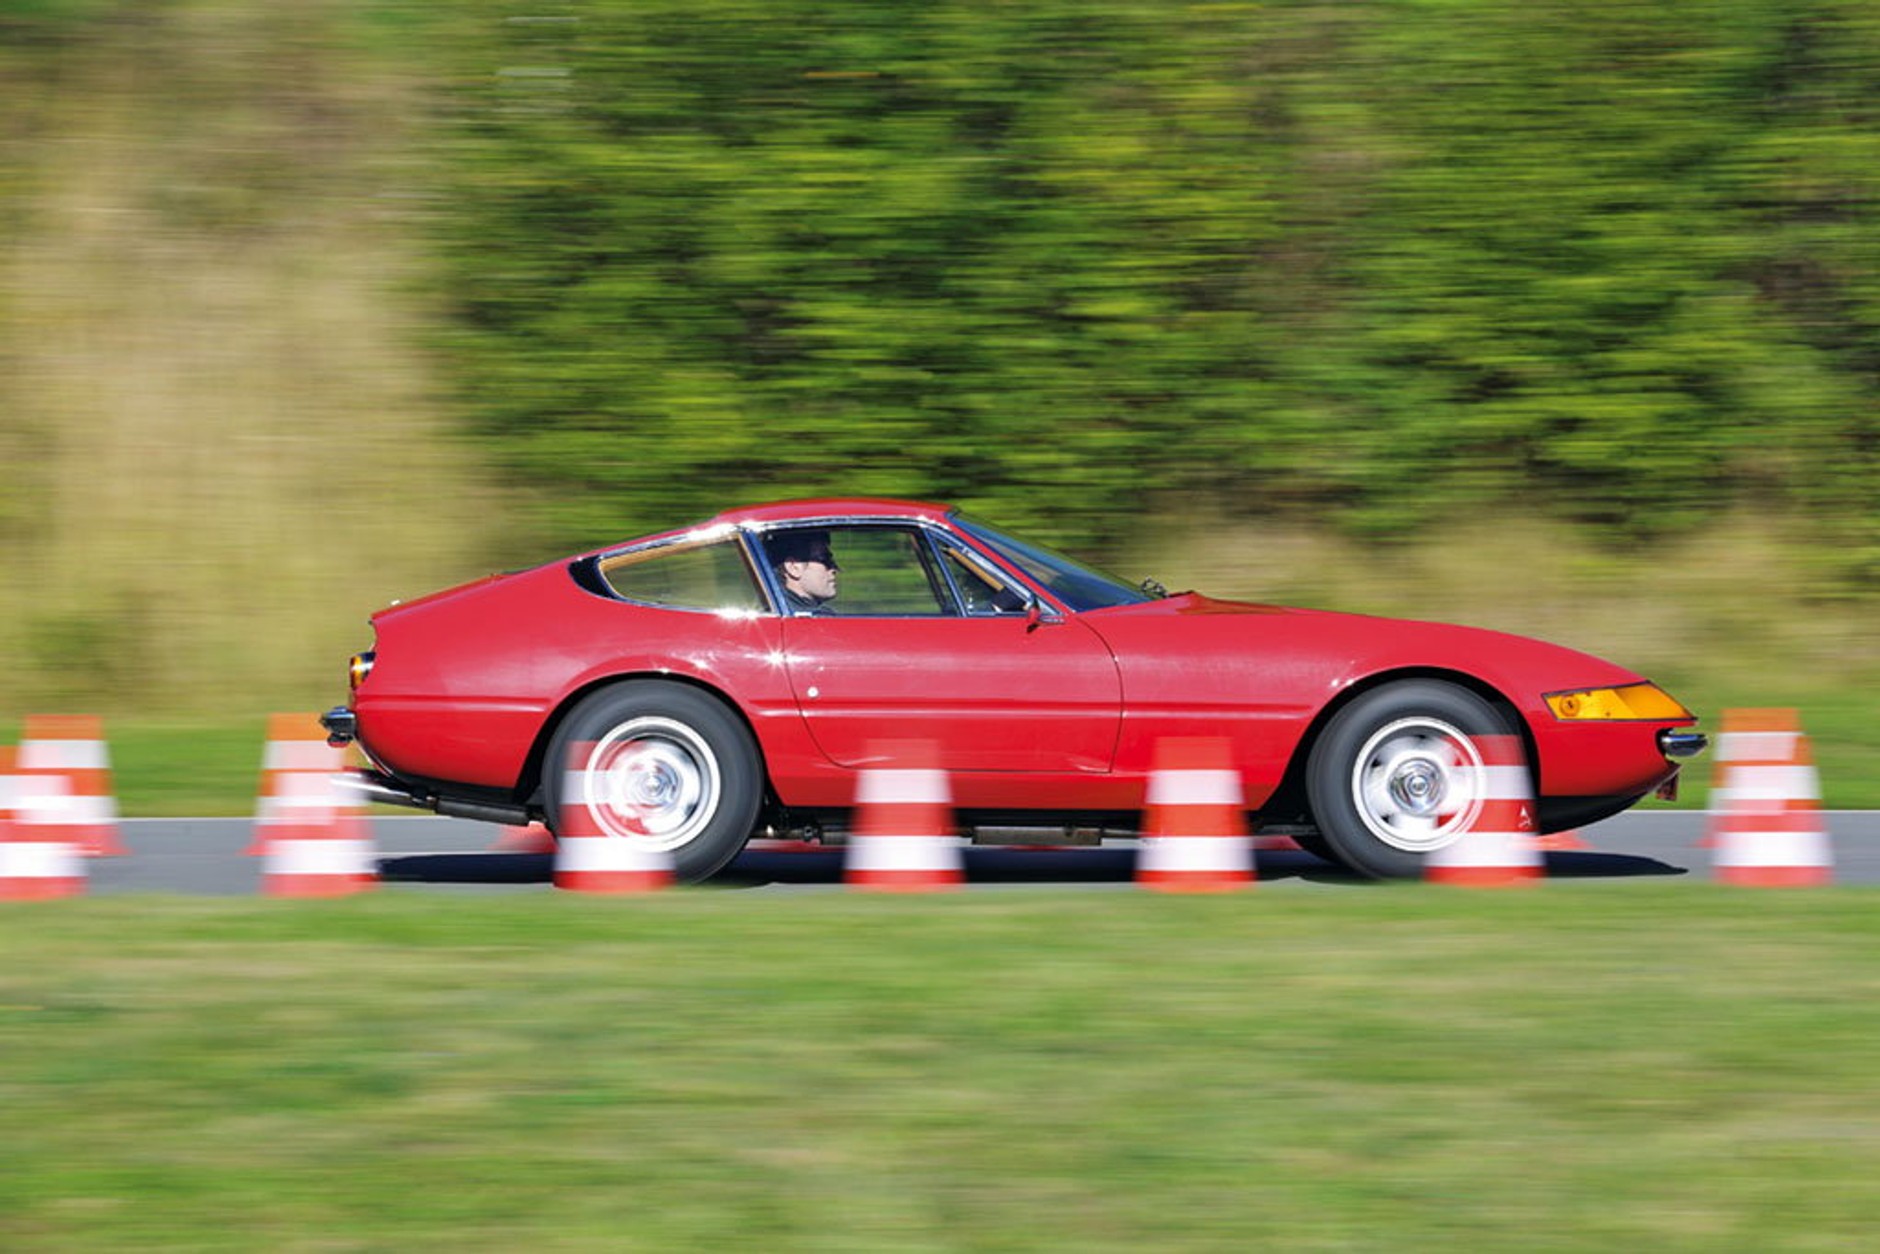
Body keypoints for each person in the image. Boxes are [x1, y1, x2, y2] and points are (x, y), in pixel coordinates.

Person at [769, 529, 840, 615]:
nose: (835, 569)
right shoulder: (805, 617)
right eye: (824, 559)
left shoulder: (785, 611)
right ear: (793, 567)